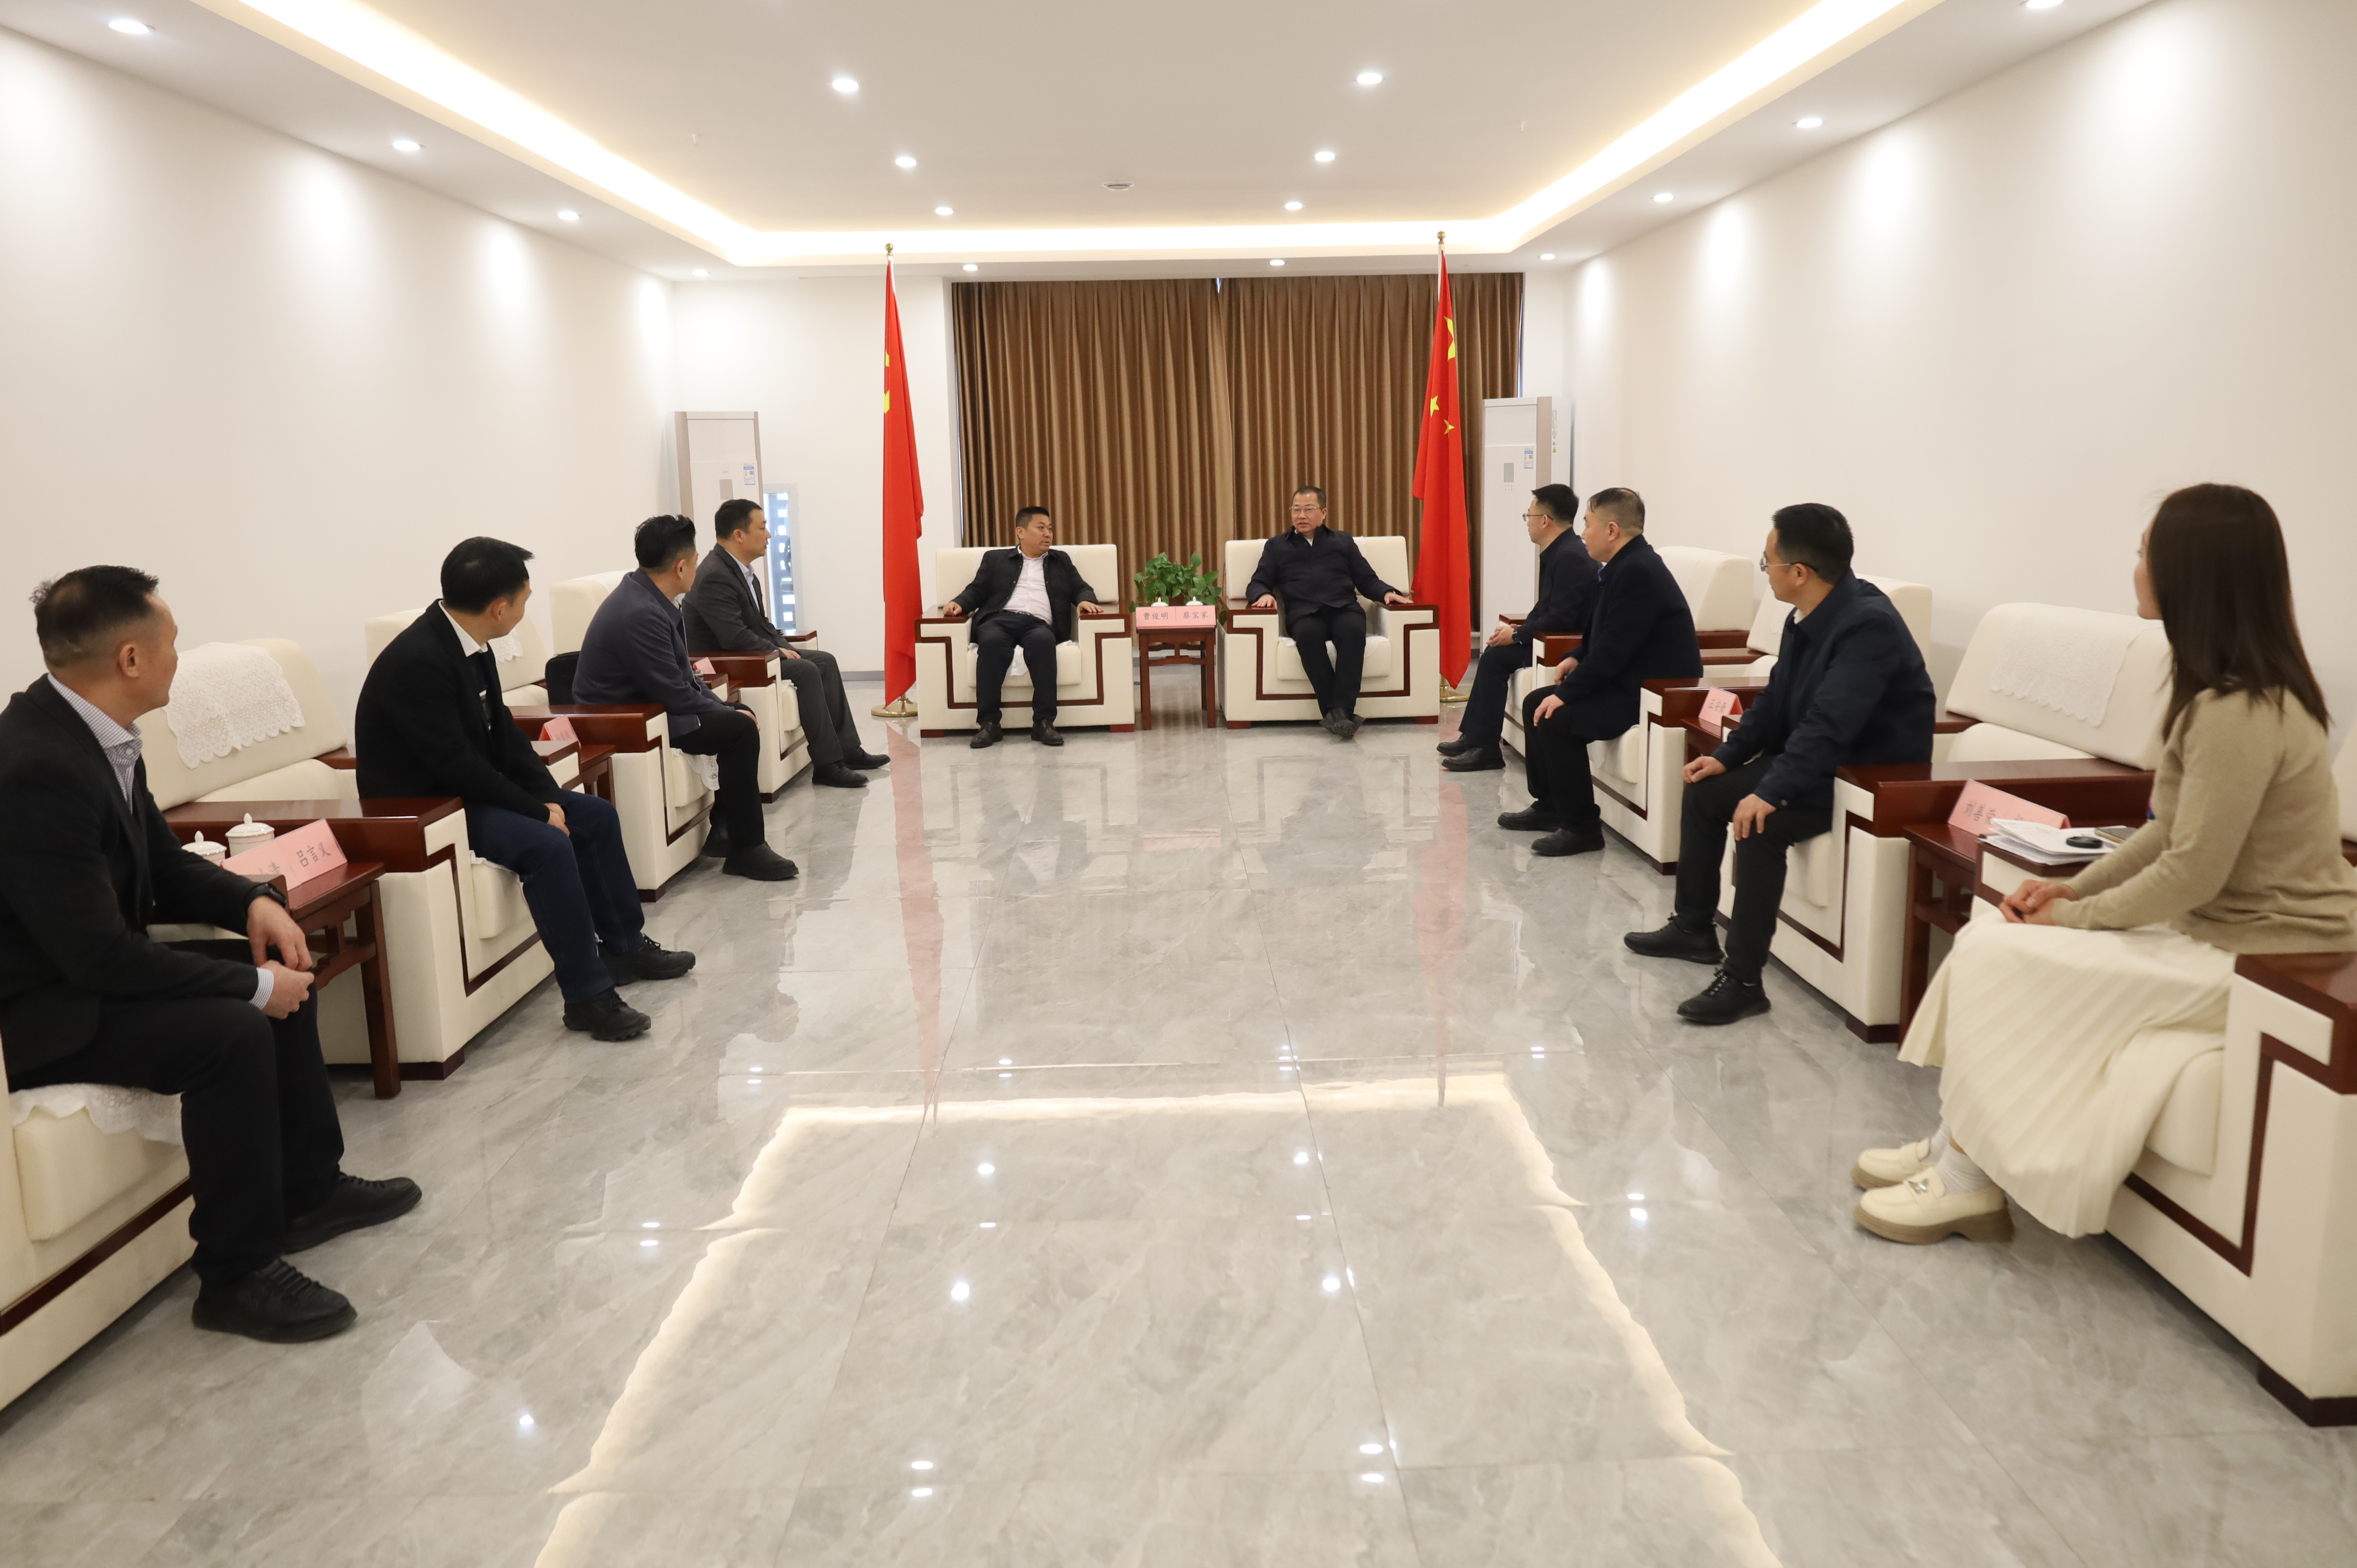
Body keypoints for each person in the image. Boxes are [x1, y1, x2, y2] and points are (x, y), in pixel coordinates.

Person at [1855, 484, 2357, 1246]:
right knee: (1995, 935)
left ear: (2191, 571)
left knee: (1999, 954)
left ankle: (1966, 1179)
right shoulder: (2219, 695)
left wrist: (2075, 917)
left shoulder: (2242, 712)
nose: (2135, 568)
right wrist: (2069, 888)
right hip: (2216, 928)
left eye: (2144, 552)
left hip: (2263, 954)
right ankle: (1959, 1144)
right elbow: (2167, 832)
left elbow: (2191, 870)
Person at [1, 568, 420, 1342]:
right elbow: (97, 958)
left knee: (282, 976)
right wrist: (252, 987)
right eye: (171, 643)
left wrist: (253, 902)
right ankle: (235, 1273)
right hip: (44, 1010)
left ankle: (308, 1190)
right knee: (233, 1027)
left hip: (91, 974)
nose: (178, 659)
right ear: (130, 658)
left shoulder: (97, 733)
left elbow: (160, 862)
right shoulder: (36, 767)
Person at [358, 537, 695, 1043]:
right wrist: (537, 814)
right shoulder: (418, 662)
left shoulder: (470, 643)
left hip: (466, 789)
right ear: (500, 608)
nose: (524, 610)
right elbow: (454, 764)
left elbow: (505, 735)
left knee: (595, 816)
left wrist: (548, 796)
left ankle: (626, 947)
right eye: (524, 600)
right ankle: (587, 996)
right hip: (430, 807)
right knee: (548, 844)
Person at [1623, 504, 1935, 1024]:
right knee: (1705, 793)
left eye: (1768, 561)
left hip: (1864, 780)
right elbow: (1774, 700)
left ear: (1800, 572)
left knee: (1759, 824)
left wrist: (1770, 791)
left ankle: (1744, 980)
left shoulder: (1868, 626)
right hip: (1819, 763)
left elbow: (1830, 724)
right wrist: (1726, 757)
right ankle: (1693, 928)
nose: (1764, 570)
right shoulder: (1806, 614)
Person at [577, 515, 799, 881]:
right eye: (695, 561)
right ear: (681, 568)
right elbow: (674, 693)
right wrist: (725, 713)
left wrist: (725, 708)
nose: (698, 567)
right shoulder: (639, 613)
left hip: (652, 707)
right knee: (740, 729)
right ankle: (746, 848)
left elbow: (684, 677)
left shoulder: (649, 596)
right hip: (633, 722)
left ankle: (725, 829)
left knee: (738, 714)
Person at [1499, 488, 1702, 854]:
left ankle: (1582, 828)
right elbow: (1606, 634)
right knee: (1535, 704)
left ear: (1612, 530)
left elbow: (1613, 651)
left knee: (1556, 718)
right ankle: (1550, 806)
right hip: (1627, 679)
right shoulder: (1624, 565)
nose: (1582, 534)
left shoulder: (1638, 571)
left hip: (1651, 694)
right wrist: (1577, 655)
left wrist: (1567, 694)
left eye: (1588, 525)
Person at [682, 497, 885, 789]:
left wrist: (783, 647)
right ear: (739, 535)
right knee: (806, 670)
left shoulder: (743, 572)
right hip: (725, 663)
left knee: (825, 660)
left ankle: (849, 750)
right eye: (762, 528)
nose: (769, 535)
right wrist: (777, 651)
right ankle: (827, 765)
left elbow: (762, 625)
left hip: (750, 654)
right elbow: (734, 637)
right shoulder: (715, 575)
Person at [1438, 483, 1596, 772]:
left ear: (1545, 521)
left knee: (1495, 659)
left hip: (1562, 645)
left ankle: (1486, 748)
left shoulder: (1570, 556)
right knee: (1493, 652)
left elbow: (1562, 618)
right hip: (1550, 637)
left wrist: (1519, 635)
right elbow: (1545, 607)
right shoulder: (1560, 551)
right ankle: (1473, 737)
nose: (1527, 522)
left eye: (1529, 516)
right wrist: (1517, 629)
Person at [1244, 485, 1416, 739]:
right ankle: (1339, 714)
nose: (1301, 516)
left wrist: (1386, 593)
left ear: (1323, 513)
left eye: (1308, 509)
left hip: (1343, 608)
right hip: (1304, 613)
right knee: (1308, 636)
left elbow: (1366, 579)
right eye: (1296, 510)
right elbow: (1257, 582)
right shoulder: (1277, 546)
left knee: (1353, 632)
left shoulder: (1342, 542)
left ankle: (1339, 713)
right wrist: (1263, 594)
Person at [937, 505, 1108, 749]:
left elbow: (1081, 587)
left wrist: (1084, 600)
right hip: (999, 620)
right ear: (1021, 532)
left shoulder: (1060, 560)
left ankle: (1044, 722)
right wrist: (959, 603)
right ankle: (989, 724)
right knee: (992, 642)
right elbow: (976, 590)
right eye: (1041, 528)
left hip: (1038, 624)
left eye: (1050, 529)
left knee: (1043, 642)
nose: (1048, 534)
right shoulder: (996, 559)